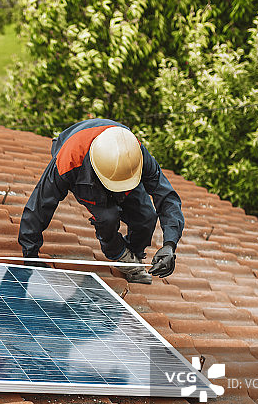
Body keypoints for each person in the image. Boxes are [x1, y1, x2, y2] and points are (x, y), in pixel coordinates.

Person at [18, 119, 183, 284]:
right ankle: (117, 253)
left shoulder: (135, 154)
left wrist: (169, 245)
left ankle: (133, 256)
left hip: (124, 174)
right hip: (85, 175)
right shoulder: (68, 160)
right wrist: (30, 255)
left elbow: (167, 196)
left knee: (146, 217)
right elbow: (39, 205)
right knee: (107, 218)